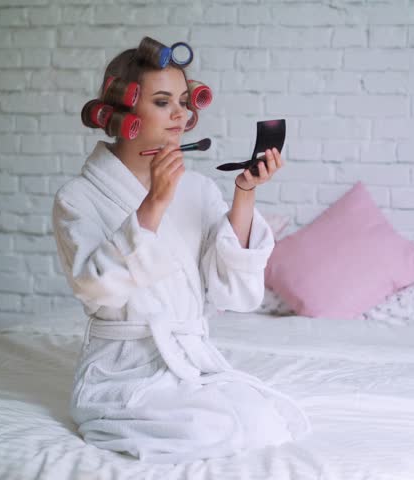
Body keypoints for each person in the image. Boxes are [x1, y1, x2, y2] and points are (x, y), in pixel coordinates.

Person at [52, 37, 310, 464]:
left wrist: (244, 194)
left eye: (185, 101)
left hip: (188, 360)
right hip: (122, 368)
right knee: (211, 429)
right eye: (162, 101)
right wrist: (153, 204)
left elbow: (228, 288)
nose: (181, 114)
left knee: (266, 422)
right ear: (124, 111)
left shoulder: (197, 187)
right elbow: (97, 291)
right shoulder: (77, 197)